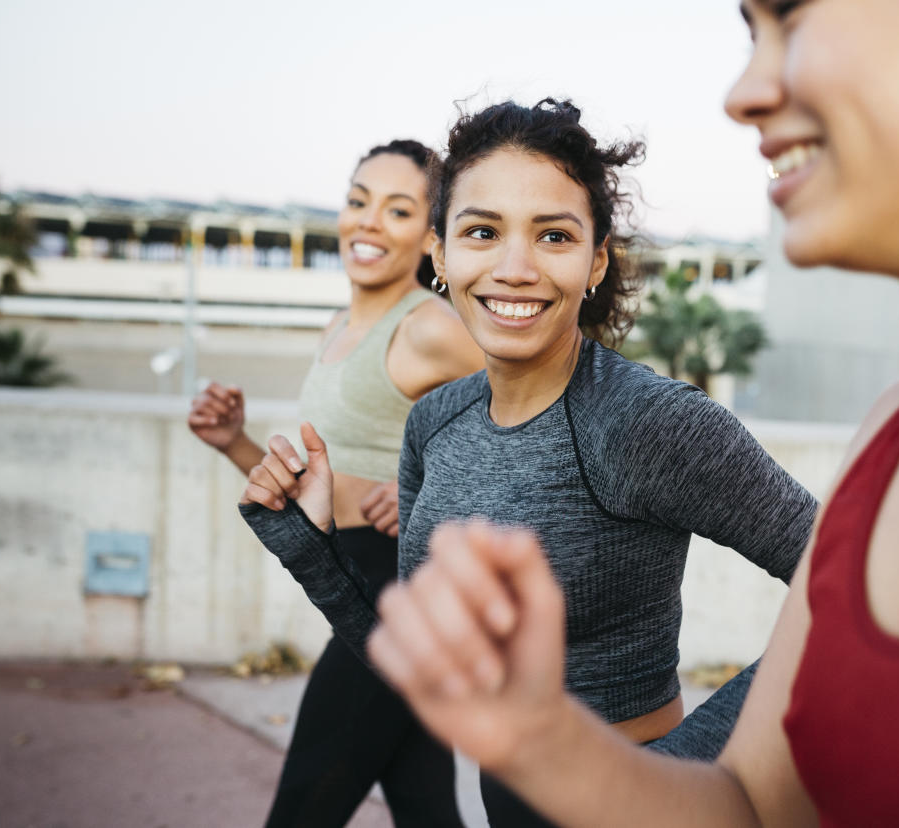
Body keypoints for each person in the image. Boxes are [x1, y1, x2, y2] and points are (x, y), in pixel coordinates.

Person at [360, 1, 899, 825]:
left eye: (792, 19)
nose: (744, 92)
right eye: (749, 31)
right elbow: (749, 805)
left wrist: (657, 746)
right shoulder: (898, 427)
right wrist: (541, 737)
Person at [238, 99, 819, 825]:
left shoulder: (646, 421)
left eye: (553, 235)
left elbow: (847, 590)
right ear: (442, 255)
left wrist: (688, 772)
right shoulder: (435, 422)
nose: (514, 268)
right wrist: (310, 542)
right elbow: (431, 675)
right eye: (482, 232)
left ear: (596, 260)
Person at [188, 139, 484, 827]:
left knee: (302, 808)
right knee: (425, 804)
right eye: (359, 202)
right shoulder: (340, 326)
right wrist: (235, 442)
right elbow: (322, 481)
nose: (369, 222)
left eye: (399, 209)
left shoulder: (428, 327)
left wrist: (435, 494)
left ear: (430, 237)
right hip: (351, 569)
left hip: (398, 588)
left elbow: (535, 409)